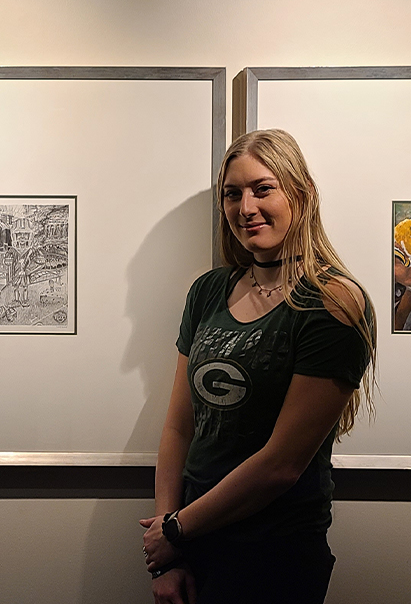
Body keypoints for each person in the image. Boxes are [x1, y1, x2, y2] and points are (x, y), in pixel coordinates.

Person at [141, 129, 376, 604]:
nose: (245, 207)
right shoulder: (208, 292)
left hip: (275, 552)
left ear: (301, 194)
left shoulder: (332, 303)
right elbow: (179, 427)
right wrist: (169, 552)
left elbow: (281, 466)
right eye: (232, 194)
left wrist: (175, 531)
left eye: (262, 188)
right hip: (192, 541)